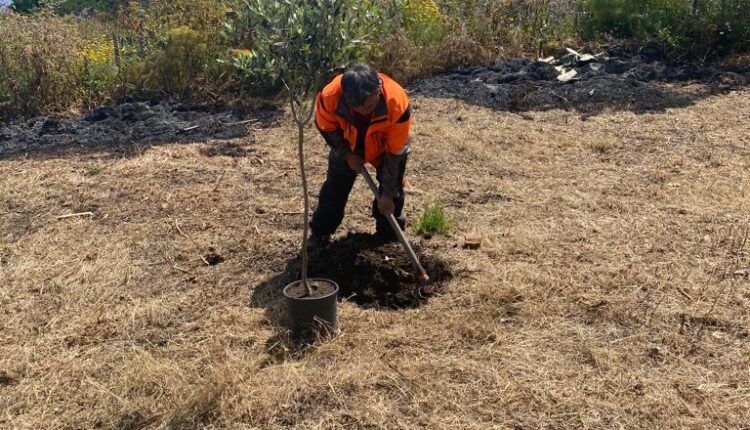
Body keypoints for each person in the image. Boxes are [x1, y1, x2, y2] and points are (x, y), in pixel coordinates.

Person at [308, 63, 413, 249]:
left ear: (378, 90)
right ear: (346, 98)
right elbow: (327, 128)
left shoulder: (397, 104)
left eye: (369, 106)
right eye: (357, 108)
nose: (364, 111)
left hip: (385, 148)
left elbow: (395, 152)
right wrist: (347, 154)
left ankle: (387, 239)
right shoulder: (330, 97)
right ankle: (320, 233)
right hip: (347, 143)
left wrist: (387, 192)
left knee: (392, 193)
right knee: (335, 188)